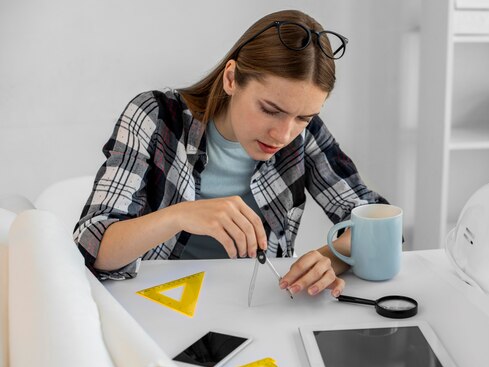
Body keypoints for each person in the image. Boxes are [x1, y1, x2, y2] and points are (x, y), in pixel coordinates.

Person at [74, 9, 388, 297]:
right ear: (230, 78)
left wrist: (331, 259)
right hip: (156, 301)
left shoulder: (304, 135)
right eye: (269, 110)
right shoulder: (154, 116)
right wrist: (180, 215)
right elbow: (91, 247)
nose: (283, 134)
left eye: (303, 117)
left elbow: (379, 223)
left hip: (258, 302)